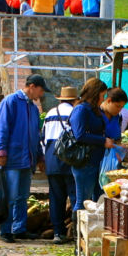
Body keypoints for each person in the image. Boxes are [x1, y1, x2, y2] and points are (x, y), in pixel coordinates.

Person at [0, 75, 46, 242]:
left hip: (27, 159)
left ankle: (19, 228)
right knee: (10, 195)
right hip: (14, 157)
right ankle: (5, 229)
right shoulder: (11, 102)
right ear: (32, 86)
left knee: (22, 196)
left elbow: (36, 134)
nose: (41, 94)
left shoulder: (33, 108)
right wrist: (1, 151)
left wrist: (39, 155)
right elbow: (2, 127)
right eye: (41, 90)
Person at [68, 78, 118, 209]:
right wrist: (103, 141)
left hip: (97, 162)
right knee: (83, 201)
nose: (103, 98)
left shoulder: (94, 110)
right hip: (85, 163)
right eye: (102, 95)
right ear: (95, 94)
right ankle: (76, 229)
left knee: (97, 201)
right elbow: (80, 135)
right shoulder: (81, 110)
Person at [42, 84, 77, 243]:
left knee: (56, 198)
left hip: (52, 159)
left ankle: (58, 232)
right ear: (74, 100)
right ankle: (76, 231)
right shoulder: (74, 113)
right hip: (69, 159)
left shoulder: (50, 113)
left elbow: (42, 139)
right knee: (74, 196)